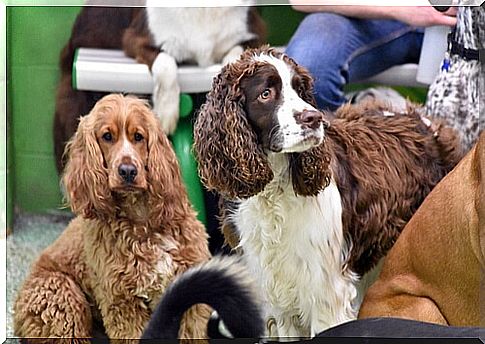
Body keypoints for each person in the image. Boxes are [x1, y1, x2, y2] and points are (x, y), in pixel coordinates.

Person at [285, 3, 457, 111]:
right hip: (367, 14)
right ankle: (356, 127)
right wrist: (401, 8)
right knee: (309, 69)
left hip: (466, 17)